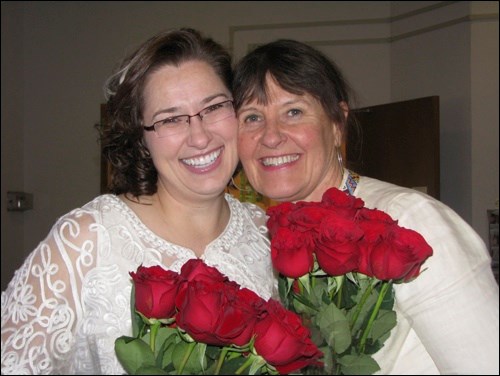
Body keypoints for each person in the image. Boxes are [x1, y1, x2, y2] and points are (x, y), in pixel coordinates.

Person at [1, 28, 278, 375]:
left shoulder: (268, 234)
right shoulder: (86, 241)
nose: (200, 135)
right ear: (141, 138)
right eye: (170, 119)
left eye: (214, 107)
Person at [233, 39, 499, 374]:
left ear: (336, 124)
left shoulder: (411, 222)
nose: (271, 136)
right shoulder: (252, 241)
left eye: (294, 111)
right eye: (252, 117)